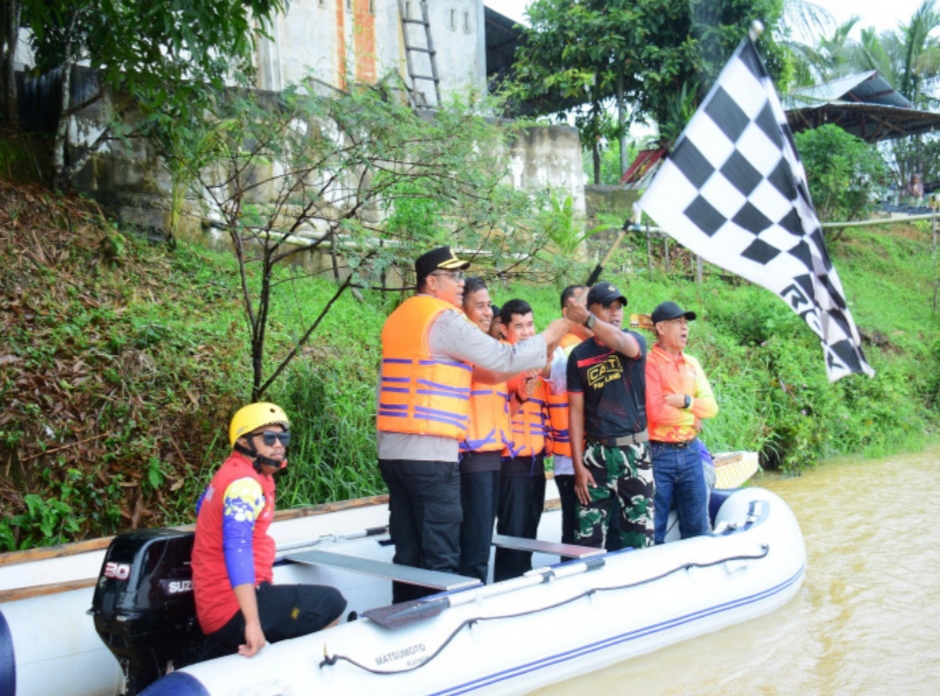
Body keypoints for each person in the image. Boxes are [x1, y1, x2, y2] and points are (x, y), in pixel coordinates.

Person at [377, 246, 570, 603]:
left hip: (393, 453)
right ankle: (442, 630)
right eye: (454, 276)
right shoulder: (444, 319)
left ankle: (403, 616)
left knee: (408, 550)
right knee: (442, 551)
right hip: (432, 454)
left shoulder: (399, 317)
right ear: (432, 282)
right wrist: (548, 335)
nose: (462, 283)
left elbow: (489, 371)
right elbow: (499, 359)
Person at [191, 402, 347, 660]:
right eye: (269, 438)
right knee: (330, 603)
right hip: (230, 607)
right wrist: (253, 622)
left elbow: (202, 509)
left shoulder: (233, 472)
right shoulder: (244, 486)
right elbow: (236, 548)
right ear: (243, 442)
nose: (279, 445)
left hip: (220, 601)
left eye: (283, 437)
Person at [564, 282, 654, 550]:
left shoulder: (634, 341)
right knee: (587, 539)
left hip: (635, 453)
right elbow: (576, 411)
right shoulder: (579, 355)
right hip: (596, 456)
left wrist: (588, 320)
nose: (615, 313)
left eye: (619, 307)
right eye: (607, 307)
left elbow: (619, 342)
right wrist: (578, 466)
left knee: (640, 538)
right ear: (591, 308)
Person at [645, 301, 719, 544]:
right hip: (658, 453)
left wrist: (686, 401)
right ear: (661, 328)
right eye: (678, 322)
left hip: (690, 453)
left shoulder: (692, 363)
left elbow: (711, 407)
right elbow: (656, 412)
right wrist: (693, 418)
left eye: (686, 323)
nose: (685, 327)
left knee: (698, 527)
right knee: (654, 528)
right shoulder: (650, 363)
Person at [493, 299, 551, 582]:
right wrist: (520, 395)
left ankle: (524, 586)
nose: (527, 332)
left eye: (530, 325)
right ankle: (508, 587)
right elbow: (496, 415)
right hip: (510, 461)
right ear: (504, 330)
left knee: (530, 531)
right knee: (513, 534)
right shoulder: (498, 364)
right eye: (519, 326)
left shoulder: (537, 364)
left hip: (536, 461)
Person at [457, 277, 511, 583]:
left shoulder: (488, 346)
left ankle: (477, 591)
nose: (488, 312)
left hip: (492, 453)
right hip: (470, 454)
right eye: (480, 306)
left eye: (489, 305)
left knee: (482, 538)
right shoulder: (465, 347)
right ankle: (469, 597)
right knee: (474, 540)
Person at [545, 285, 591, 545]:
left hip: (598, 459)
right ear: (568, 312)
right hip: (573, 464)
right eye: (582, 306)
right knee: (575, 534)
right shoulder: (564, 353)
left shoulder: (597, 346)